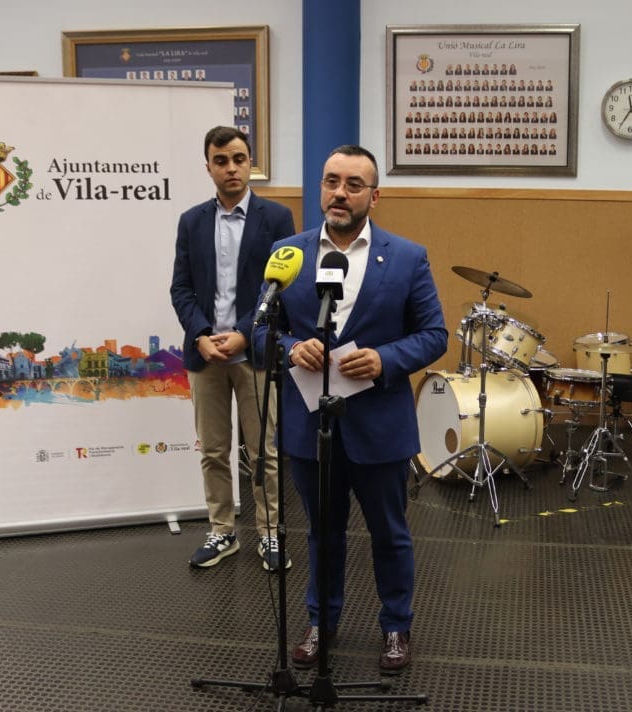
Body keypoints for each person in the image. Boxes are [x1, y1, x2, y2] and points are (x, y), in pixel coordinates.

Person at [256, 145, 447, 675]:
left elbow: (434, 335)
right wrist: (292, 347)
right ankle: (322, 622)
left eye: (353, 185)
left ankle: (396, 626)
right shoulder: (287, 254)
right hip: (309, 424)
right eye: (331, 181)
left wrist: (386, 359)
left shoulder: (407, 257)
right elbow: (260, 328)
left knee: (390, 533)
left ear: (374, 196)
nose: (339, 193)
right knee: (322, 533)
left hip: (380, 425)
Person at [170, 126, 296, 571]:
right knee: (213, 451)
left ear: (249, 164)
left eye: (239, 159)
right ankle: (222, 530)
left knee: (265, 453)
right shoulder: (191, 221)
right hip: (205, 355)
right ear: (208, 167)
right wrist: (201, 335)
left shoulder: (276, 218)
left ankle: (269, 533)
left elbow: (281, 287)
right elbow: (181, 289)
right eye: (221, 161)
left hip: (255, 352)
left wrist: (245, 332)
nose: (231, 168)